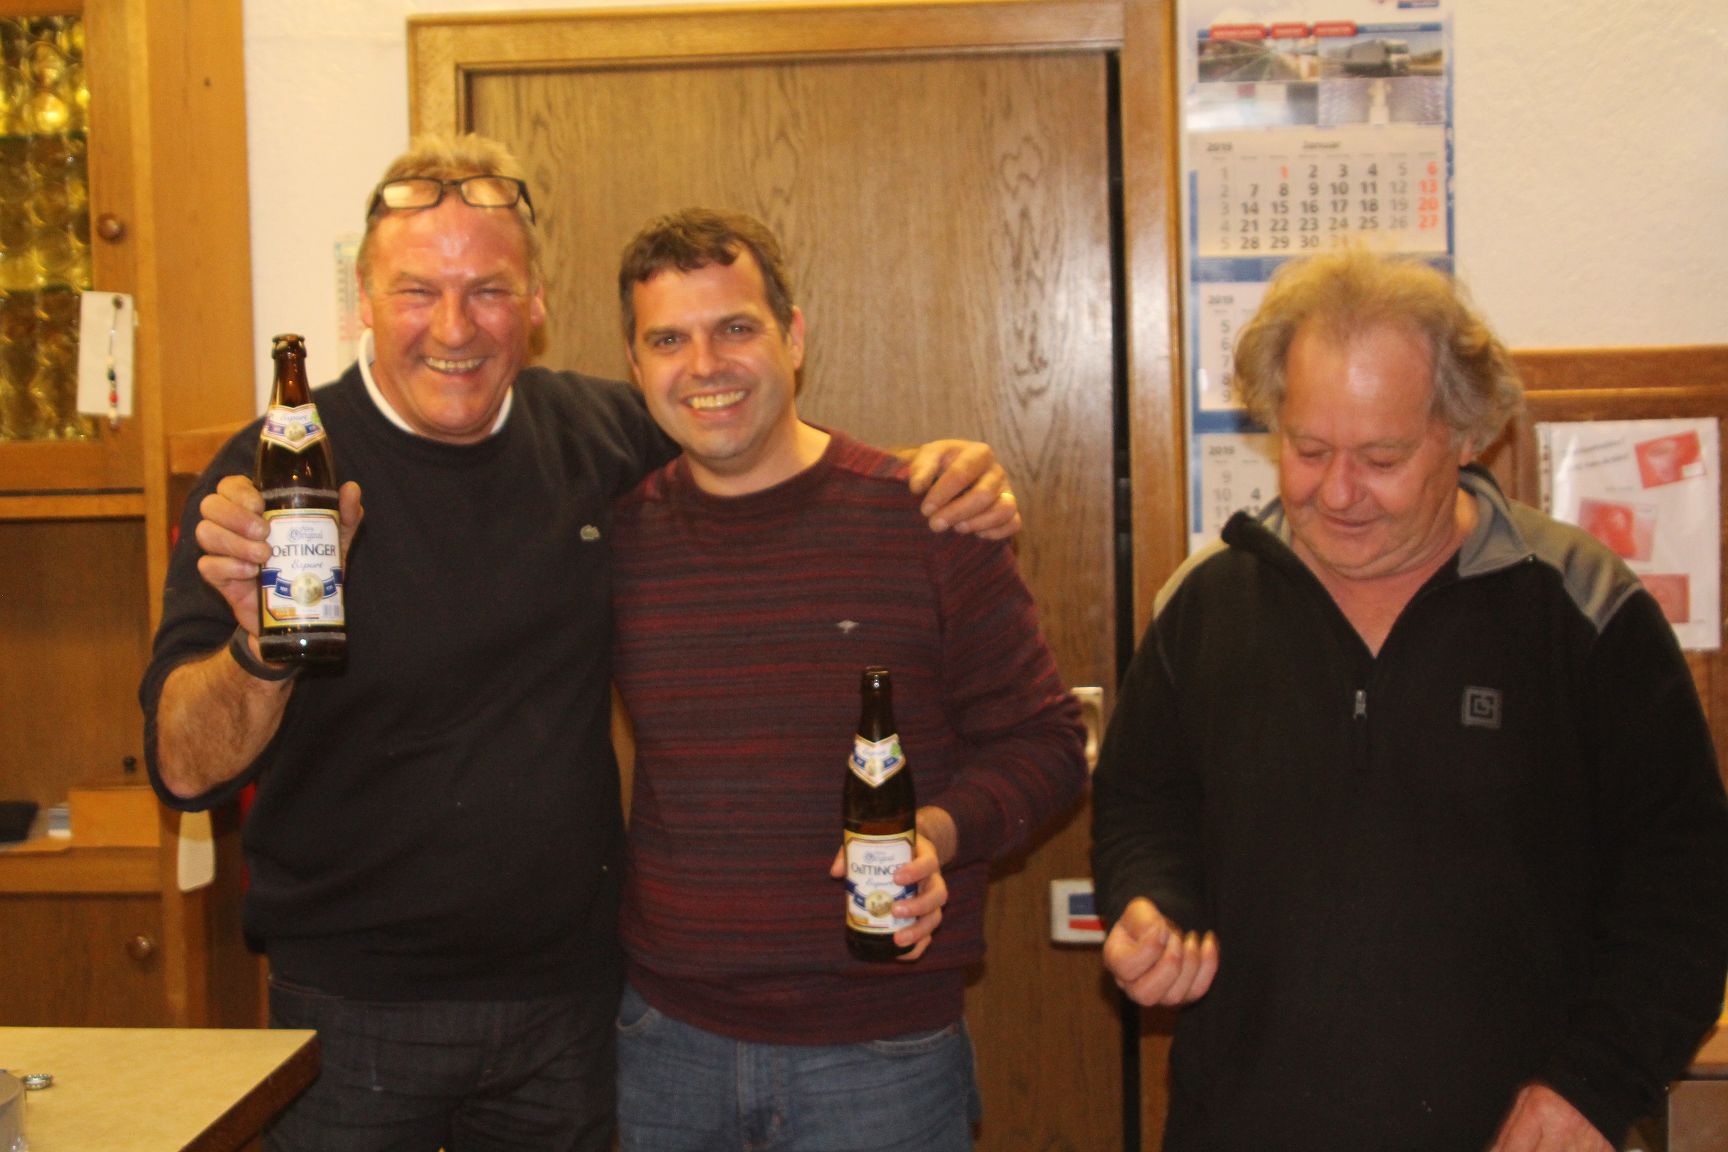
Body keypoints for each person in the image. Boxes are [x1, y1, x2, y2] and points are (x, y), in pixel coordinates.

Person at [139, 134, 1019, 1152]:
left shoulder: (602, 436)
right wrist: (261, 650)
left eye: (490, 290)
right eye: (419, 291)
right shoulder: (272, 474)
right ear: (365, 305)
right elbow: (183, 769)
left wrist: (931, 477)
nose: (455, 327)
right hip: (351, 1011)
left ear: (536, 304)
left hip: (574, 1009)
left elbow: (752, 449)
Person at [1090, 248, 1728, 1152]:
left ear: (1467, 438)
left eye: (1381, 457)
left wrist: (1593, 1087)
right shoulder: (1205, 604)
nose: (1337, 492)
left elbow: (1685, 888)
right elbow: (1142, 808)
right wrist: (1154, 906)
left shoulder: (1583, 608)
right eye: (1308, 450)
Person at [606, 208, 1089, 1151]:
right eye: (668, 340)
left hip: (882, 1055)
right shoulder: (619, 540)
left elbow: (1049, 744)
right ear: (635, 365)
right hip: (665, 1045)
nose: (703, 365)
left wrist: (934, 835)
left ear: (793, 337)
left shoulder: (927, 517)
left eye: (735, 327)